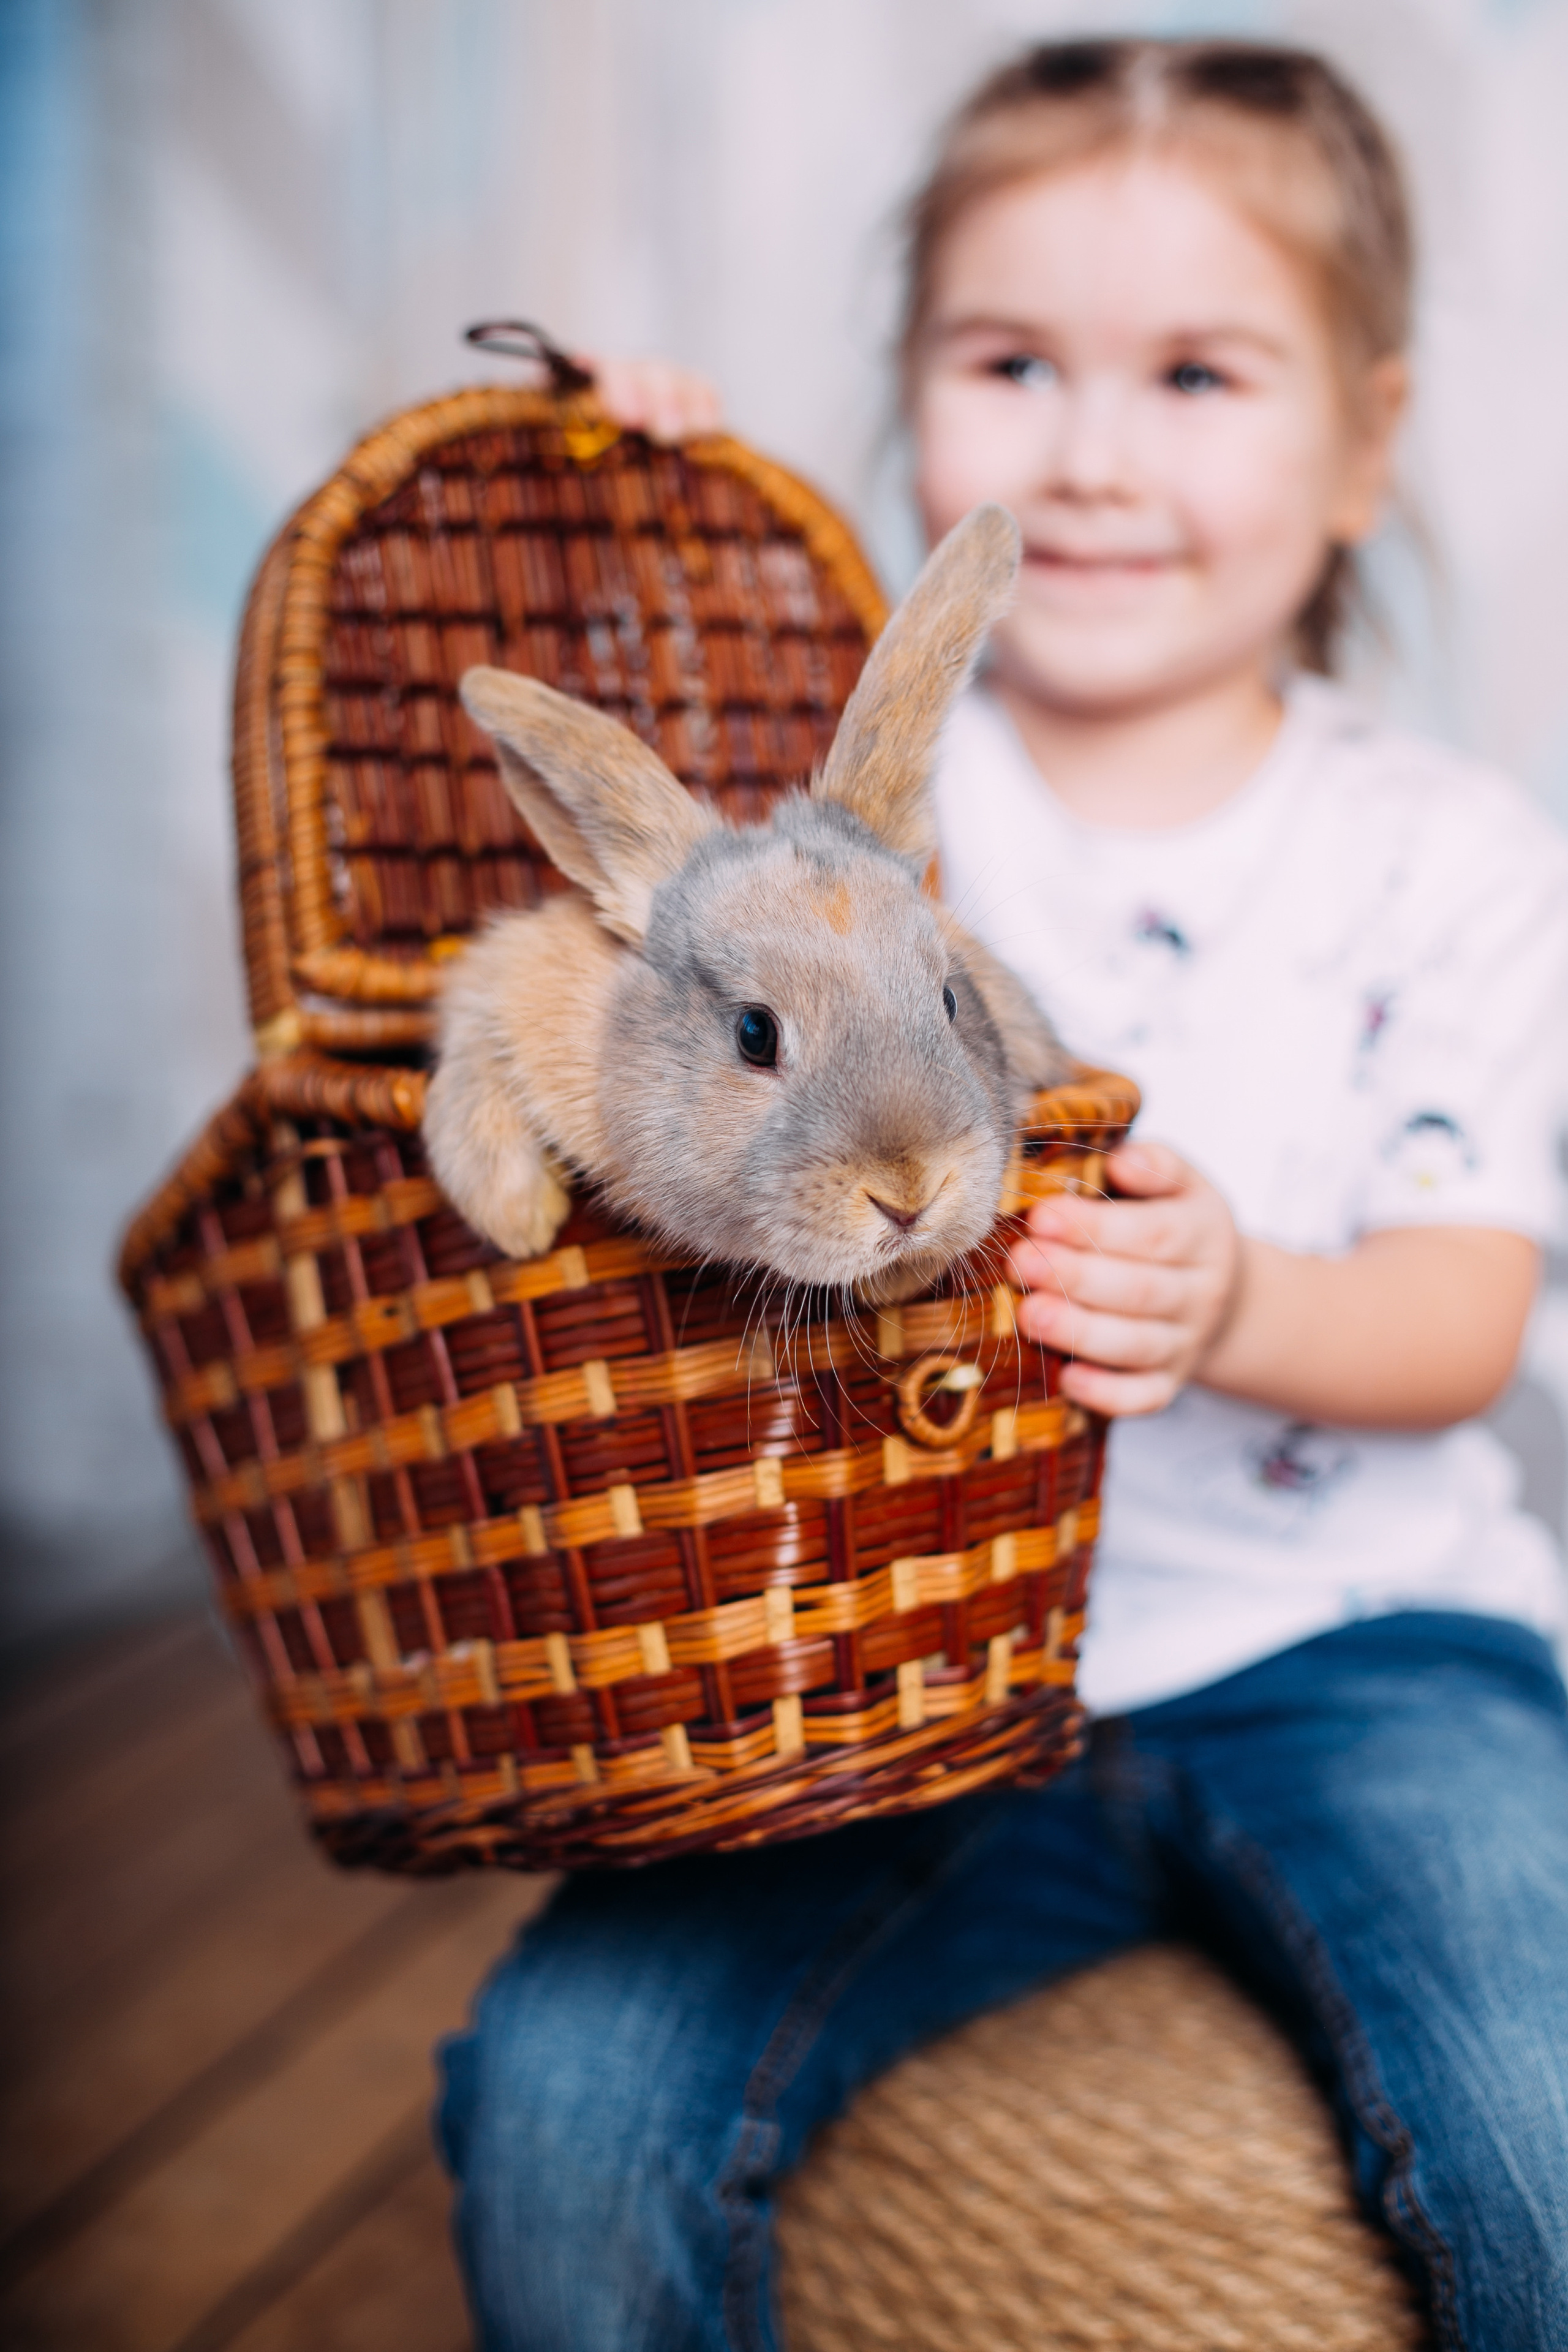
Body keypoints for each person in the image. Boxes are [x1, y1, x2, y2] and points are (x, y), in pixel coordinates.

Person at [437, 40, 1568, 2350]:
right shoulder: (848, 820)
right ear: (912, 404)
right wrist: (621, 492)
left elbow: (1461, 1320)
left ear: (1367, 439)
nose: (1091, 450)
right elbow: (615, 888)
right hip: (894, 1675)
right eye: (1012, 359)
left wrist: (1237, 1296)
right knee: (563, 2089)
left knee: (1541, 2101)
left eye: (1197, 372)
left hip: (1360, 1642)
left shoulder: (1456, 859)